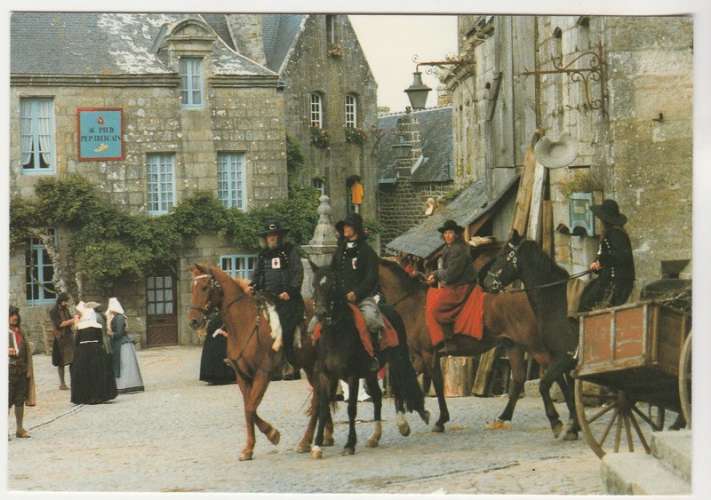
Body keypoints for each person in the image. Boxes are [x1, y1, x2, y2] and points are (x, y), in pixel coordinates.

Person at [250, 220, 305, 371]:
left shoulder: (290, 251)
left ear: (280, 237)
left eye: (274, 235)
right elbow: (256, 275)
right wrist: (252, 287)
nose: (271, 238)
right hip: (266, 298)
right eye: (269, 236)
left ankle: (289, 363)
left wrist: (290, 291)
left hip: (287, 299)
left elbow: (298, 272)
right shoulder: (262, 255)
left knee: (286, 327)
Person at [331, 213, 381, 371]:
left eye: (348, 226)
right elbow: (332, 272)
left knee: (372, 319)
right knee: (315, 324)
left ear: (356, 229)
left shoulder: (367, 252)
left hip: (362, 298)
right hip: (340, 299)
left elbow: (371, 277)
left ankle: (373, 355)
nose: (345, 229)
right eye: (344, 226)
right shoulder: (339, 251)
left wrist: (356, 293)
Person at [425, 220, 478, 342]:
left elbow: (450, 275)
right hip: (454, 285)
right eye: (445, 233)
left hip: (462, 286)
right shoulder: (448, 248)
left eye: (450, 233)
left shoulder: (458, 250)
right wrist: (434, 274)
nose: (447, 236)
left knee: (437, 309)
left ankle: (450, 338)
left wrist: (436, 274)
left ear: (456, 234)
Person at [579, 199, 636, 312]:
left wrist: (601, 262)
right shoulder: (609, 233)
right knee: (586, 294)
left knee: (588, 303)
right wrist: (596, 263)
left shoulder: (616, 234)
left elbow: (622, 256)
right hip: (608, 279)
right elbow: (604, 254)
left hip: (617, 283)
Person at [70, 302, 117, 405]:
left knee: (84, 374)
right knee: (97, 373)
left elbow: (76, 341)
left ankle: (84, 397)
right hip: (96, 350)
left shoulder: (80, 326)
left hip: (82, 351)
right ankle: (98, 395)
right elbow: (100, 340)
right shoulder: (97, 326)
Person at [106, 298, 145, 393]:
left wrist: (110, 334)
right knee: (124, 365)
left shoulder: (119, 317)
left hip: (122, 344)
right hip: (122, 344)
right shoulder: (119, 317)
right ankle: (124, 385)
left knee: (124, 365)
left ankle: (125, 385)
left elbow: (119, 333)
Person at [9, 306, 33, 438]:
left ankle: (19, 428)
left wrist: (28, 369)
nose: (15, 317)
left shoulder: (20, 332)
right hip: (8, 371)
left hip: (21, 371)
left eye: (15, 314)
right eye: (11, 315)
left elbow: (27, 353)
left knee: (19, 400)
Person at [199, 308, 235, 385]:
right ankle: (211, 377)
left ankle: (223, 377)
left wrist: (224, 333)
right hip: (211, 340)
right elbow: (207, 328)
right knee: (210, 357)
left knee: (220, 357)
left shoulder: (228, 315)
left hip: (222, 341)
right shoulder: (212, 315)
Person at [49, 292, 76, 390]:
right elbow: (59, 324)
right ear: (62, 301)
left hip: (69, 337)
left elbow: (69, 321)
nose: (68, 303)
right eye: (66, 301)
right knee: (61, 362)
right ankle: (62, 383)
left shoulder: (66, 309)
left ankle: (74, 381)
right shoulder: (54, 311)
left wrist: (73, 321)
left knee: (73, 359)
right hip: (60, 338)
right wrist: (73, 320)